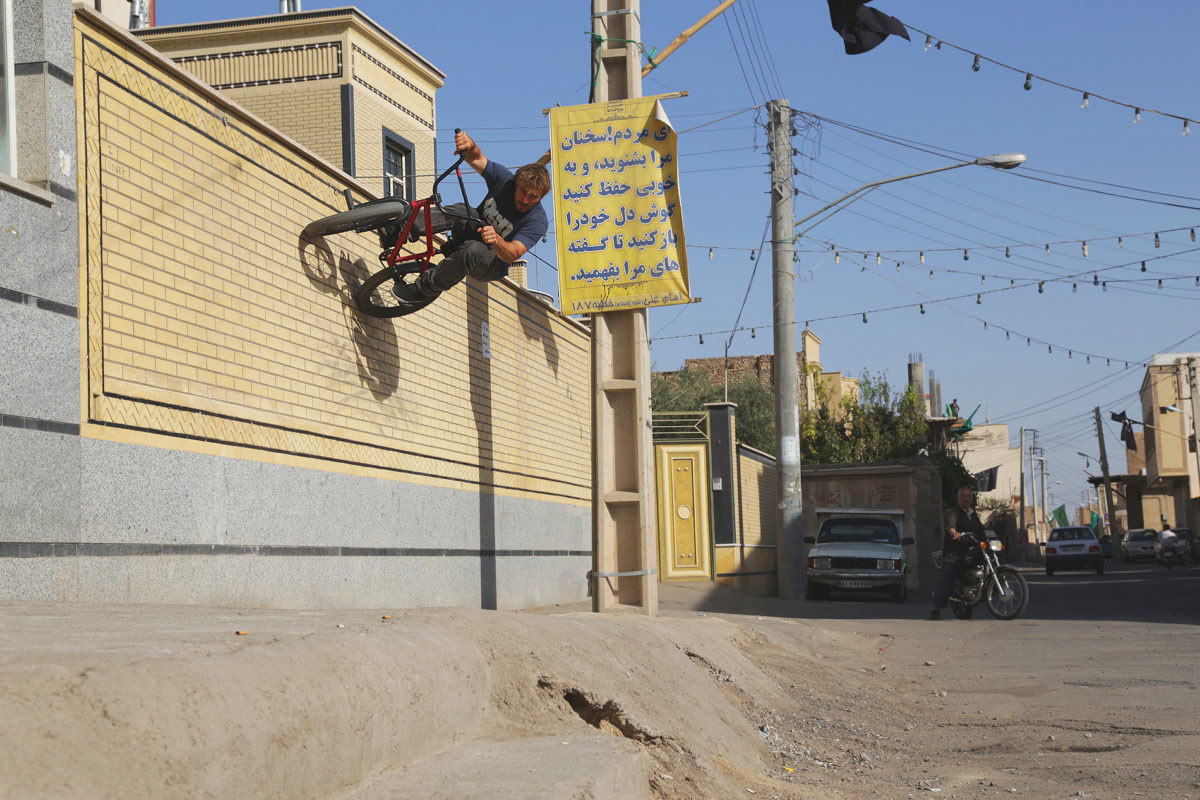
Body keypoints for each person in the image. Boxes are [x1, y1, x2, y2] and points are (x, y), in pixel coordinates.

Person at [390, 130, 550, 305]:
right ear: (516, 184)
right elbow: (477, 158)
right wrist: (469, 144)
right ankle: (401, 229)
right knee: (464, 210)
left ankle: (422, 289)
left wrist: (496, 239)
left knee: (474, 249)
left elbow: (513, 253)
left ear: (541, 196)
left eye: (533, 197)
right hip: (471, 233)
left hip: (490, 263)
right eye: (523, 192)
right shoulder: (505, 181)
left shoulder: (537, 220)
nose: (525, 200)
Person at [929, 485, 984, 620]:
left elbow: (980, 529)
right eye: (963, 496)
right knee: (948, 575)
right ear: (958, 498)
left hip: (970, 549)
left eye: (969, 496)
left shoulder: (972, 514)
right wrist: (953, 531)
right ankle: (935, 608)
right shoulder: (953, 511)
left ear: (972, 498)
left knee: (993, 555)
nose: (966, 498)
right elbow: (951, 525)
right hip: (954, 551)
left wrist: (991, 533)